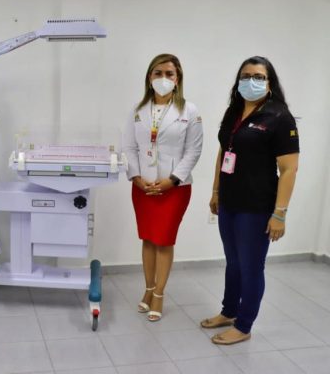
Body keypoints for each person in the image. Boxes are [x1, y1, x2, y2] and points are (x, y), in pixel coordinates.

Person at [201, 56, 299, 345]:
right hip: (229, 202)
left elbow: (289, 169)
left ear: (269, 83)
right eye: (246, 76)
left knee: (251, 266)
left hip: (256, 207)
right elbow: (223, 152)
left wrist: (279, 214)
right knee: (233, 262)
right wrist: (216, 192)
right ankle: (229, 311)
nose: (251, 81)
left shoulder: (279, 117)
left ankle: (244, 325)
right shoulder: (233, 111)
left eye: (258, 77)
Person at [123, 53, 203, 322]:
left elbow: (193, 151)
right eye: (158, 73)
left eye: (169, 74)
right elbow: (128, 147)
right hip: (143, 186)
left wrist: (172, 180)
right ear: (149, 77)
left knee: (164, 240)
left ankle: (159, 294)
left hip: (174, 188)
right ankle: (148, 289)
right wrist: (136, 177)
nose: (163, 78)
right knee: (148, 238)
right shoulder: (137, 110)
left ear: (177, 79)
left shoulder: (189, 111)